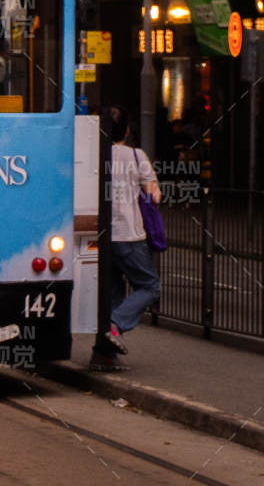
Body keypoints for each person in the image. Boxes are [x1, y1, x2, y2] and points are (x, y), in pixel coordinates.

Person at [108, 105, 162, 356]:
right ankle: (115, 324)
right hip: (129, 234)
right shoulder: (137, 156)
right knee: (150, 286)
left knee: (114, 290)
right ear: (127, 131)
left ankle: (108, 344)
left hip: (102, 237)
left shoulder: (94, 155)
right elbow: (155, 196)